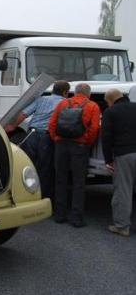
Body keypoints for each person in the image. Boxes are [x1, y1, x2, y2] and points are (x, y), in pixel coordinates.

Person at [4, 80, 70, 201]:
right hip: (46, 137)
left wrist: (13, 126)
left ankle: (22, 195)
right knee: (45, 168)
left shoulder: (41, 99)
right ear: (65, 92)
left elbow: (24, 114)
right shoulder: (65, 103)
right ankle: (41, 198)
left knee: (28, 166)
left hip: (31, 135)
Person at [48, 83, 100, 227]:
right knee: (78, 183)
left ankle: (59, 215)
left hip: (61, 145)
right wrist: (86, 141)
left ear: (74, 92)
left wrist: (56, 138)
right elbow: (95, 127)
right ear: (88, 94)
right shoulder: (92, 106)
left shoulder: (63, 103)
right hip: (80, 146)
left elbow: (52, 123)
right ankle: (76, 218)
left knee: (60, 179)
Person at [101, 88, 136, 237]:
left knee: (123, 190)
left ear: (110, 100)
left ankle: (122, 226)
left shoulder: (111, 112)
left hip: (125, 154)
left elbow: (106, 137)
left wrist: (108, 159)